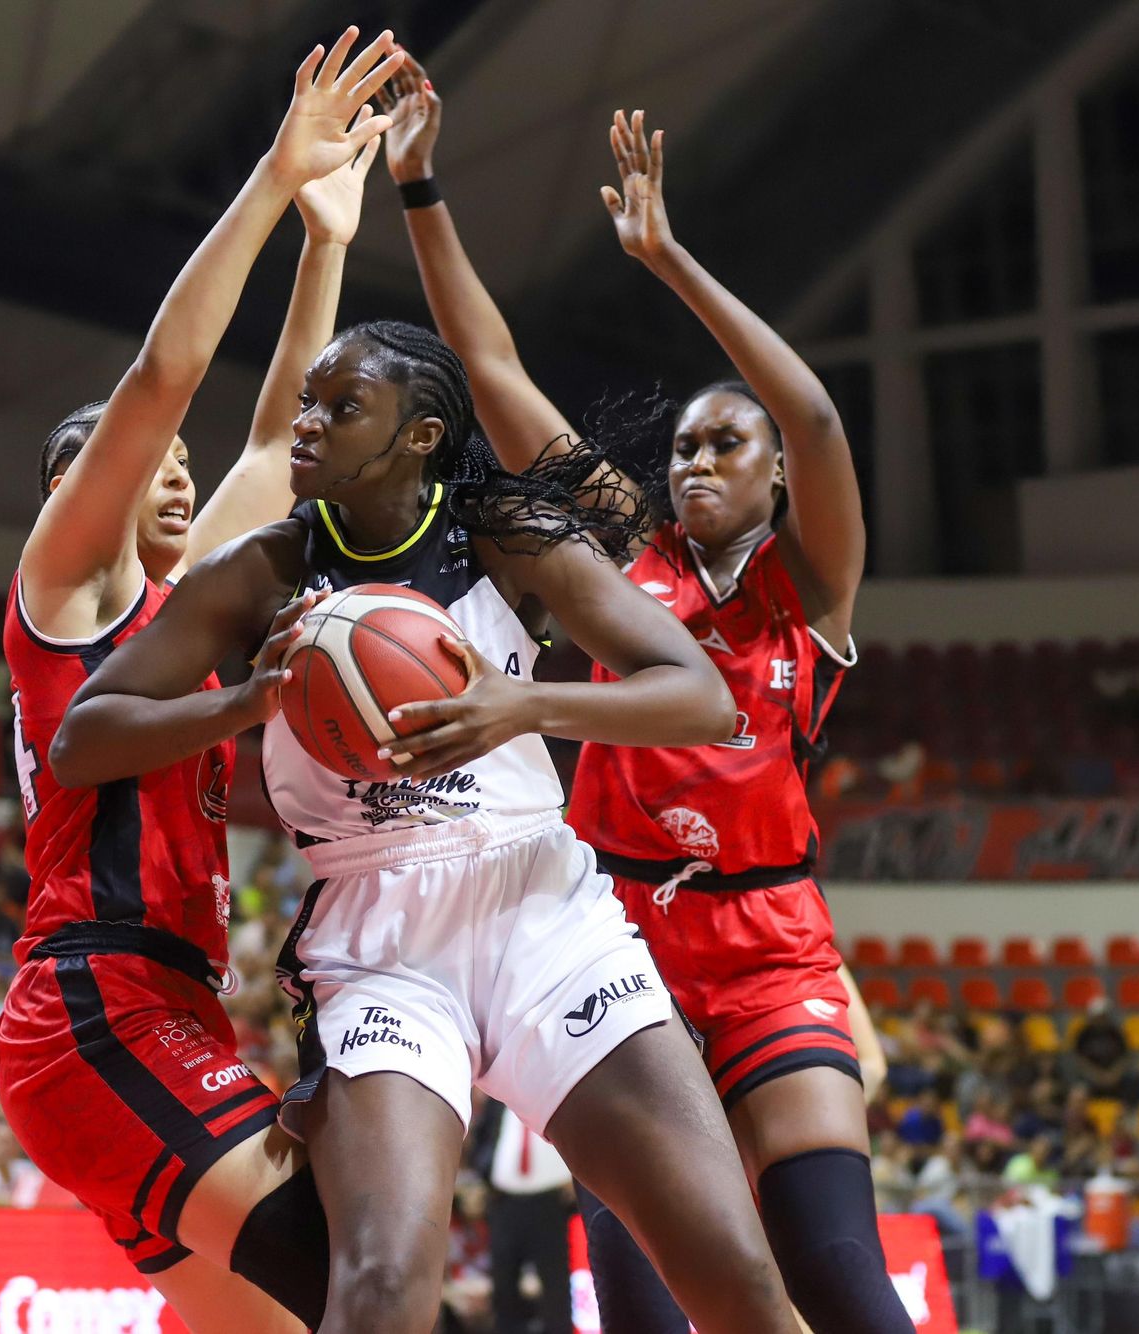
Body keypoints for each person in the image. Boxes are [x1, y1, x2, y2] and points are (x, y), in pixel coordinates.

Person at [57, 343, 789, 1333]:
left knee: (732, 1272)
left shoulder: (508, 536)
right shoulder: (259, 569)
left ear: (420, 436)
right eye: (304, 402)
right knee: (376, 1291)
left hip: (539, 906)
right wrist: (248, 697)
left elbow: (699, 696)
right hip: (380, 938)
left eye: (340, 405)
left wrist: (520, 706)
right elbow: (78, 740)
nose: (305, 422)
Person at [375, 59, 904, 1334]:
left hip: (769, 943)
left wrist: (664, 260)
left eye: (726, 443)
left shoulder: (808, 589)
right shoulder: (622, 556)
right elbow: (488, 367)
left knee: (835, 1271)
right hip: (613, 942)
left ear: (773, 476)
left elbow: (819, 416)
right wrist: (420, 187)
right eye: (681, 447)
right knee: (645, 1306)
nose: (695, 461)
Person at [0, 29, 404, 1333]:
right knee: (359, 1280)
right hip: (94, 1006)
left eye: (178, 465)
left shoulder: (178, 617)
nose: (169, 468)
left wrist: (328, 242)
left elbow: (286, 436)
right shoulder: (61, 595)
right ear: (72, 490)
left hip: (172, 1006)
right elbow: (165, 378)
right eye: (125, 457)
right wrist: (273, 183)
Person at [471, 1101, 574, 1334]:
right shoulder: (499, 1101)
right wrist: (485, 1172)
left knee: (555, 1284)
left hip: (551, 1201)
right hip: (505, 1201)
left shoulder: (558, 1099)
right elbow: (483, 1136)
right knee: (504, 1283)